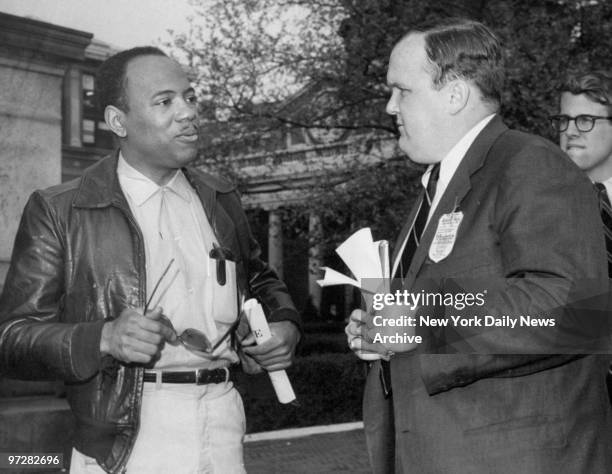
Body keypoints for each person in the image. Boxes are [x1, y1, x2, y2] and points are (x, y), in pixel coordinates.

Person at [0, 46, 301, 474]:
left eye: (191, 97)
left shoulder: (221, 198)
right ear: (117, 121)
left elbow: (261, 282)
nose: (188, 113)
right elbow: (11, 338)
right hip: (124, 438)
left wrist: (285, 324)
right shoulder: (60, 210)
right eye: (165, 101)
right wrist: (103, 338)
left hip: (224, 421)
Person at [346, 19, 612, 473]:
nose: (390, 106)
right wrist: (381, 334)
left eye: (402, 90)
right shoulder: (439, 187)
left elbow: (573, 308)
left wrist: (424, 323)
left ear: (455, 96)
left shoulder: (530, 163)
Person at [552, 69, 612, 402]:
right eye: (563, 120)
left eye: (585, 120)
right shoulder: (537, 208)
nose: (570, 131)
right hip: (579, 399)